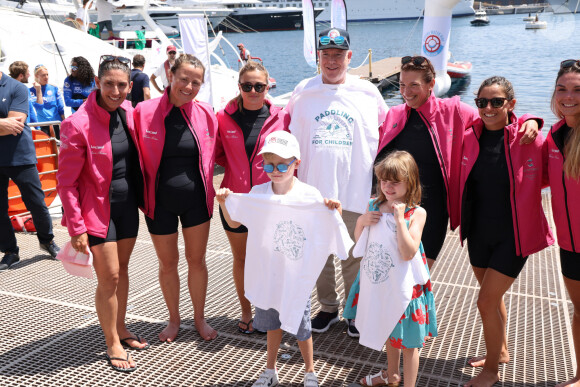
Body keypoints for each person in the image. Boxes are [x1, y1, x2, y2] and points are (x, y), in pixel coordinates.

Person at [376, 56, 539, 271]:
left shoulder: (454, 112)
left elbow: (494, 118)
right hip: (393, 207)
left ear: (431, 84)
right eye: (402, 85)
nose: (406, 92)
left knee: (418, 277)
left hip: (432, 211)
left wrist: (530, 119)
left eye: (414, 85)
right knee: (390, 275)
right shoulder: (394, 114)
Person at [216, 131, 351, 387]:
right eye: (268, 165)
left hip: (295, 275)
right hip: (268, 272)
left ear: (296, 163)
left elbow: (331, 223)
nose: (275, 170)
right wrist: (224, 202)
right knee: (271, 324)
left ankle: (310, 372)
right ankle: (270, 370)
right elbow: (235, 220)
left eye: (282, 164)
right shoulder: (258, 192)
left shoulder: (309, 195)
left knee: (302, 328)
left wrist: (336, 208)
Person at [285, 27, 388, 336]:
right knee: (318, 255)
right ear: (319, 57)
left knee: (354, 255)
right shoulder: (303, 90)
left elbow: (390, 129)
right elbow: (284, 131)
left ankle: (355, 312)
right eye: (326, 55)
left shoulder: (368, 92)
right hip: (313, 192)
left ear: (349, 57)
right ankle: (328, 308)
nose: (331, 61)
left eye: (338, 55)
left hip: (354, 189)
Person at [455, 76, 553, 386]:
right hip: (479, 233)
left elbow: (550, 175)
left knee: (485, 301)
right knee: (492, 298)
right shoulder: (470, 136)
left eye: (497, 102)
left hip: (515, 235)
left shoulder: (529, 139)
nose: (488, 108)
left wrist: (533, 121)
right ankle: (502, 352)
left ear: (510, 104)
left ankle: (491, 371)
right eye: (482, 102)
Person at [57, 55, 149, 373]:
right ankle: (112, 342)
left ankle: (120, 327)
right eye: (108, 84)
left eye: (121, 85)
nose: (115, 91)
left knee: (121, 270)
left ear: (129, 86)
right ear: (97, 83)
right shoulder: (76, 124)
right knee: (108, 276)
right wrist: (76, 227)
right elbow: (66, 182)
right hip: (96, 211)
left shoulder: (128, 114)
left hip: (126, 207)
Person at [134, 54, 218, 342]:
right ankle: (173, 320)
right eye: (184, 79)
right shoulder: (143, 111)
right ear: (170, 75)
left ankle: (199, 318)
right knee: (168, 264)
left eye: (196, 82)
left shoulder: (207, 113)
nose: (189, 86)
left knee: (197, 261)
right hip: (159, 203)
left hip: (197, 201)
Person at [215, 60, 290, 334]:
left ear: (268, 86)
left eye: (259, 86)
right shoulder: (223, 118)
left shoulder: (282, 117)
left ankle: (272, 313)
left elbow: (292, 155)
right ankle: (247, 312)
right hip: (236, 200)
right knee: (243, 259)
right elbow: (219, 154)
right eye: (247, 86)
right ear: (239, 87)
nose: (253, 91)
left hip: (270, 200)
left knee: (272, 259)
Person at [352, 151, 437, 387]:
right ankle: (392, 375)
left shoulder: (417, 213)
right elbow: (361, 244)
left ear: (409, 182)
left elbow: (408, 252)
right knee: (389, 330)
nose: (387, 187)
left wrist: (400, 220)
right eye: (383, 180)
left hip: (407, 288)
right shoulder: (373, 204)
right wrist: (361, 222)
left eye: (395, 181)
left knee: (409, 343)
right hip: (380, 283)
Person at [0, 69, 59, 272]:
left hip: (19, 156)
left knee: (36, 203)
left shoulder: (16, 87)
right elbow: (5, 125)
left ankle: (47, 240)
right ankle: (10, 251)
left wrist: (7, 124)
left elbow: (16, 124)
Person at [544, 59, 580, 387]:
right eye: (562, 89)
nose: (568, 96)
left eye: (577, 90)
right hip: (569, 244)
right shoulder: (554, 135)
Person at [29, 65, 65, 139]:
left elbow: (60, 106)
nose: (46, 77)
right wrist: (38, 90)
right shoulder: (31, 91)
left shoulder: (54, 87)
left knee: (59, 145)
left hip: (56, 122)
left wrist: (64, 121)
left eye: (47, 74)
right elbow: (39, 107)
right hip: (43, 124)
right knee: (46, 147)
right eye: (43, 75)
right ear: (36, 76)